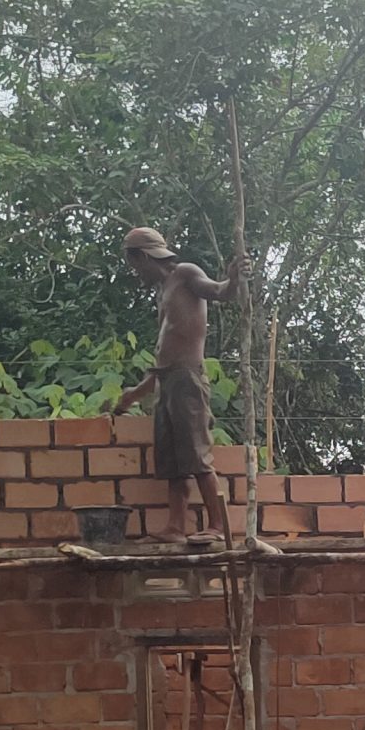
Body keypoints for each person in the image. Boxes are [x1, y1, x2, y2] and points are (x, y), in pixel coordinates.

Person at [110, 226, 248, 545]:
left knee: (196, 455)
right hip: (167, 382)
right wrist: (134, 395)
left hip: (187, 378)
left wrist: (235, 279)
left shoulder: (185, 273)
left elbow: (219, 292)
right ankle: (175, 527)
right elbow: (162, 359)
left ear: (142, 257)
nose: (136, 274)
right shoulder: (163, 292)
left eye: (134, 266)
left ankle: (216, 524)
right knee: (173, 461)